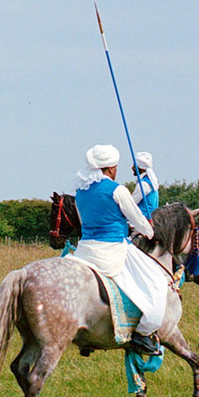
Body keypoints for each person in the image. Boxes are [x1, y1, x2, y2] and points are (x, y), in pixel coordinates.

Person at [71, 144, 163, 355]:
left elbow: (84, 220)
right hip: (112, 248)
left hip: (84, 250)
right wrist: (149, 232)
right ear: (111, 168)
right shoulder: (117, 190)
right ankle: (143, 334)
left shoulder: (80, 191)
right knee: (155, 282)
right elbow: (137, 218)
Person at [133, 151, 160, 219]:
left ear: (140, 168)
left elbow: (132, 203)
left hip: (143, 220)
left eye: (134, 166)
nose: (132, 168)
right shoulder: (152, 183)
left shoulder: (144, 184)